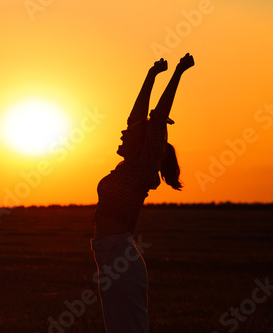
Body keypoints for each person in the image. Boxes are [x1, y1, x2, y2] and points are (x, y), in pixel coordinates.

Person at [91, 53, 195, 333]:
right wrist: (151, 74)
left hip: (120, 257)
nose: (123, 133)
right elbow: (137, 116)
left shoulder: (142, 166)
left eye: (129, 132)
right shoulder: (128, 166)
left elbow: (157, 118)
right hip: (107, 256)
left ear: (144, 143)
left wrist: (179, 72)